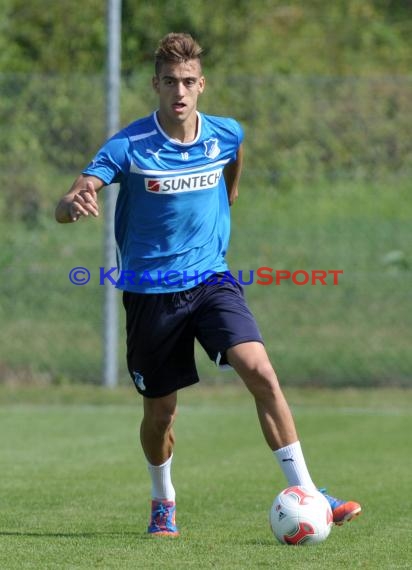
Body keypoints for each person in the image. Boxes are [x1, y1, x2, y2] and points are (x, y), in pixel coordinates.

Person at [55, 32, 361, 536]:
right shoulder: (129, 145)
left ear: (202, 85)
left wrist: (231, 191)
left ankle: (311, 493)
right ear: (156, 84)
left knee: (260, 371)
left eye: (189, 82)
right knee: (161, 418)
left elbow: (234, 155)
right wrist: (74, 202)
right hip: (151, 296)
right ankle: (163, 498)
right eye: (171, 81)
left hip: (212, 279)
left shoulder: (225, 133)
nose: (180, 91)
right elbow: (77, 192)